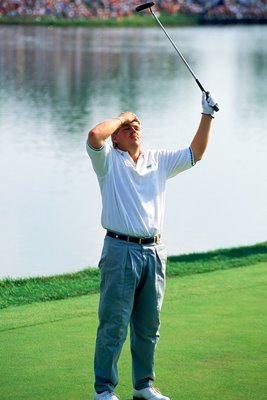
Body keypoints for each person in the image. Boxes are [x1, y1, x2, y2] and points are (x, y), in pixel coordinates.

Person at [86, 92, 218, 400]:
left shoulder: (157, 160)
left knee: (148, 327)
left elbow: (195, 153)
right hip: (120, 250)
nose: (133, 129)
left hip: (154, 253)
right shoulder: (107, 161)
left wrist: (206, 115)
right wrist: (122, 116)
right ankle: (103, 390)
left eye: (137, 125)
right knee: (114, 326)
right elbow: (94, 135)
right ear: (115, 139)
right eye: (126, 128)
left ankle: (143, 386)